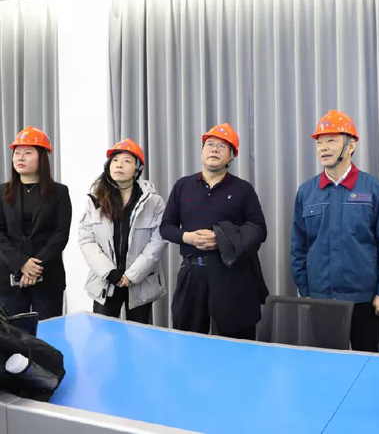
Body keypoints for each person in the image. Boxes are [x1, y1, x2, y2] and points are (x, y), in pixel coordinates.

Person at [290, 110, 379, 352]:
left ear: (350, 146)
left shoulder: (373, 188)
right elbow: (298, 247)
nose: (323, 148)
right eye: (319, 142)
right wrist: (306, 290)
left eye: (331, 141)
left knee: (365, 361)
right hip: (321, 298)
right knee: (328, 362)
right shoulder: (306, 192)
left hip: (364, 298)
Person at [160, 124, 268, 339]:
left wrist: (223, 238)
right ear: (202, 151)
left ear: (232, 156)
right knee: (187, 340)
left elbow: (259, 229)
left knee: (236, 343)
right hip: (192, 273)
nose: (214, 149)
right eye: (210, 144)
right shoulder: (183, 186)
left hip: (232, 275)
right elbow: (165, 227)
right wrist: (188, 237)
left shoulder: (243, 189)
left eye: (222, 146)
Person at [79, 139, 168, 324]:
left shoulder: (153, 201)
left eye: (127, 161)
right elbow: (87, 240)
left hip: (140, 281)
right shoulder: (95, 200)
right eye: (115, 160)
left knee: (139, 335)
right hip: (106, 281)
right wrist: (109, 272)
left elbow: (158, 241)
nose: (119, 164)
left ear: (137, 169)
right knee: (102, 334)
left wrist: (132, 276)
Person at [0, 127, 72, 319]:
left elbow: (60, 234)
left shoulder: (59, 192)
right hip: (9, 277)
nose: (20, 158)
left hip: (48, 277)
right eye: (17, 153)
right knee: (12, 334)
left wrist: (34, 268)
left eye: (27, 153)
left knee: (48, 333)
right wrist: (21, 263)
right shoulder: (2, 192)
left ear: (42, 157)